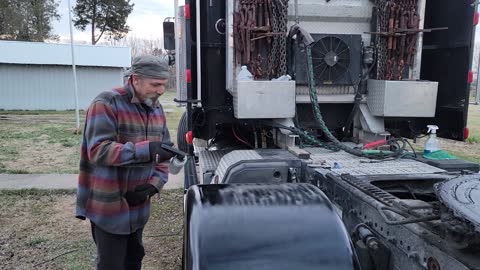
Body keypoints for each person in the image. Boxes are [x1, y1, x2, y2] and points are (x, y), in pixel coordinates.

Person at [75, 55, 175, 270]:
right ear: (135, 79)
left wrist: (153, 186)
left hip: (138, 206)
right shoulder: (107, 103)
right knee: (111, 264)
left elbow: (164, 152)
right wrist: (145, 149)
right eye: (155, 84)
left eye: (163, 85)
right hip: (109, 204)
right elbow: (98, 150)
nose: (161, 91)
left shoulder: (156, 108)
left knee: (134, 259)